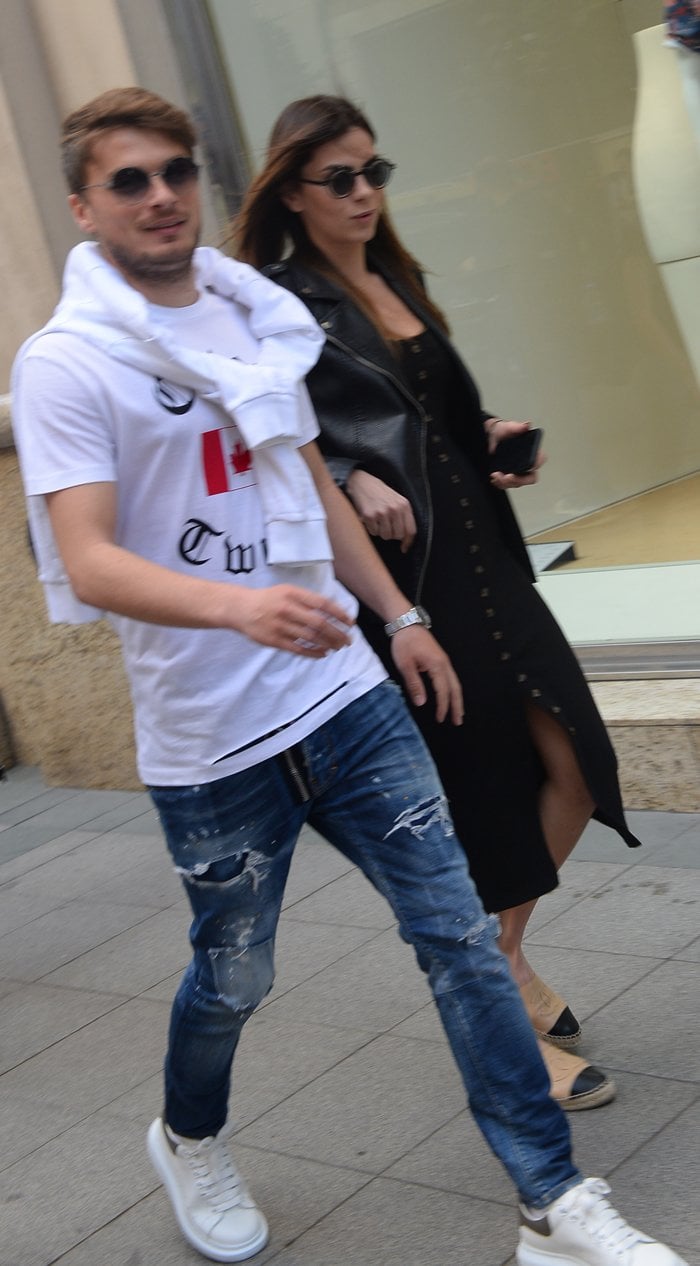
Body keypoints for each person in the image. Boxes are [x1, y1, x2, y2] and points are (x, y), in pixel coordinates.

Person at [11, 87, 685, 1266]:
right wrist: (243, 605)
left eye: (175, 172)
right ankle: (189, 1136)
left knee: (459, 937)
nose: (160, 196)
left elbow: (307, 480)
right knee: (235, 972)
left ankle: (552, 1203)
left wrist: (399, 614)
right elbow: (89, 558)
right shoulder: (66, 364)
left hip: (342, 696)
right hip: (212, 737)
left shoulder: (247, 318)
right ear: (82, 205)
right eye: (128, 180)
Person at [235, 94, 643, 1107]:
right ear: (293, 192)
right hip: (413, 582)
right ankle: (501, 999)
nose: (364, 192)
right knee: (486, 785)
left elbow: (429, 415)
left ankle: (501, 958)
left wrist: (490, 434)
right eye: (339, 178)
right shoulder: (277, 302)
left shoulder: (394, 275)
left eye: (373, 172)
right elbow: (264, 432)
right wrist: (345, 475)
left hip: (485, 554)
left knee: (576, 761)